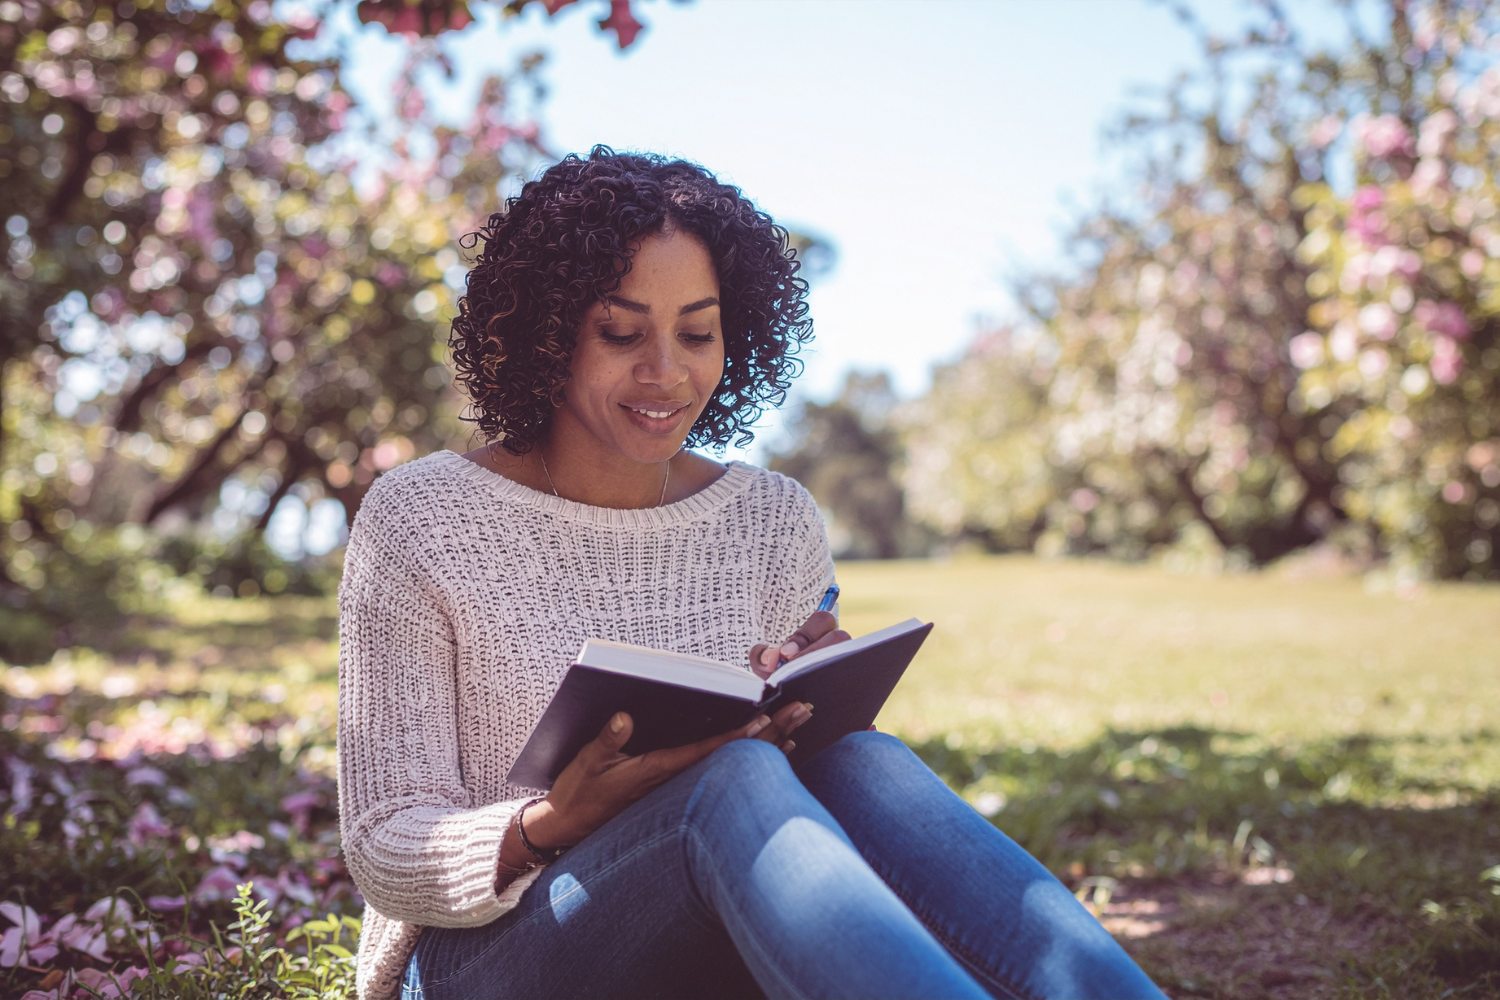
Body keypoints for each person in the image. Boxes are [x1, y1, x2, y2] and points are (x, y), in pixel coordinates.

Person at [337, 147, 1165, 1000]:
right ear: (548, 334)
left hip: (716, 934)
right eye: (622, 333)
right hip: (493, 960)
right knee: (724, 780)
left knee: (858, 762)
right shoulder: (422, 518)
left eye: (698, 332)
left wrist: (810, 704)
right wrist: (553, 822)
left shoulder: (771, 519)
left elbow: (798, 819)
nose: (668, 371)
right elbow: (384, 846)